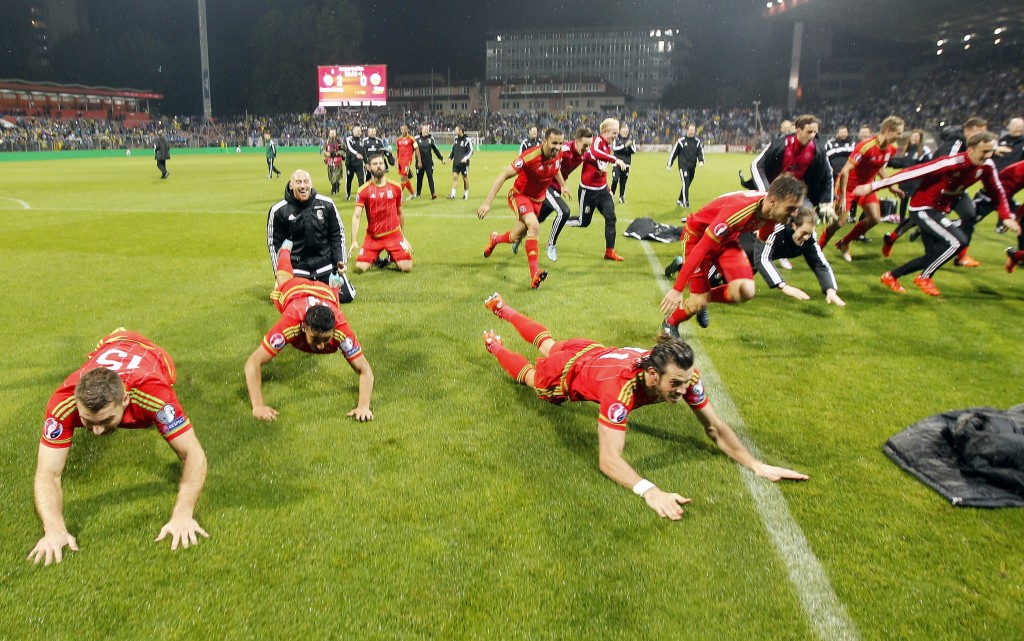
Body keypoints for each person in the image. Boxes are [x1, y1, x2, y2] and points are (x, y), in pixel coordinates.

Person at [481, 292, 808, 520]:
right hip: (572, 373)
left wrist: (756, 465)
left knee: (549, 343)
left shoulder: (684, 375)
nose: (683, 390)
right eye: (675, 384)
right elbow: (608, 459)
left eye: (685, 381)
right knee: (531, 376)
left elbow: (714, 427)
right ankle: (495, 346)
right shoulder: (620, 391)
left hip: (594, 352)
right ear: (652, 375)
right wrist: (650, 491)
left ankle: (503, 309)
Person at [30, 329, 209, 565]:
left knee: (167, 421)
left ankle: (126, 335)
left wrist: (183, 515)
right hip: (110, 344)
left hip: (149, 355)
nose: (97, 431)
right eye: (88, 422)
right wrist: (54, 530)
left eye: (106, 421)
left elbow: (193, 454)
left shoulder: (154, 394)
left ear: (126, 400)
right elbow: (47, 473)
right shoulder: (63, 402)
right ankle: (119, 334)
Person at [855, 131, 1021, 296]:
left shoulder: (987, 166)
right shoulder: (950, 163)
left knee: (936, 253)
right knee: (957, 242)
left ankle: (891, 276)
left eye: (991, 151)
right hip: (922, 208)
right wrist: (872, 187)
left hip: (939, 210)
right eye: (984, 151)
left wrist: (1006, 216)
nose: (988, 155)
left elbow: (997, 191)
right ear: (970, 149)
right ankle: (924, 277)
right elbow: (913, 172)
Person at [659, 174, 807, 335]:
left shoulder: (772, 212)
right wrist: (677, 289)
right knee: (698, 302)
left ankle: (701, 295)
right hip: (698, 237)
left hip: (727, 239)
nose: (794, 214)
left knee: (746, 291)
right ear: (773, 201)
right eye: (791, 208)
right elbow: (701, 249)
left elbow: (764, 233)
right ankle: (670, 323)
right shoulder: (739, 211)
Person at [245, 241, 374, 421]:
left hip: (326, 294)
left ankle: (334, 286)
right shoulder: (291, 320)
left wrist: (363, 406)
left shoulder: (340, 327)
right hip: (295, 291)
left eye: (325, 339)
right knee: (282, 281)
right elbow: (252, 363)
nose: (321, 346)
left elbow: (365, 369)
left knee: (334, 299)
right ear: (303, 326)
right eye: (316, 339)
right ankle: (284, 251)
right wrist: (258, 406)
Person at [881, 117, 988, 266]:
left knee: (970, 215)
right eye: (979, 132)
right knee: (916, 218)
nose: (982, 137)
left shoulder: (977, 147)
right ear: (968, 130)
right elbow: (947, 165)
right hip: (938, 188)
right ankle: (892, 237)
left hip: (956, 189)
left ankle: (961, 256)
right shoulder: (955, 143)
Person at [477, 127, 568, 290]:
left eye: (561, 143)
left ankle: (495, 239)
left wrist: (563, 185)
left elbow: (556, 168)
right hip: (520, 196)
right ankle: (534, 275)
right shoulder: (530, 157)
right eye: (554, 143)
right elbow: (503, 175)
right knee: (534, 226)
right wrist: (487, 202)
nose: (558, 147)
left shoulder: (558, 154)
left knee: (515, 237)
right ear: (545, 141)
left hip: (538, 201)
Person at [819, 115, 905, 262]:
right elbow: (845, 171)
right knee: (840, 222)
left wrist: (891, 188)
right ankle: (818, 249)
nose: (900, 136)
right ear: (889, 131)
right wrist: (844, 197)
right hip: (848, 186)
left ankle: (844, 243)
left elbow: (880, 169)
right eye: (898, 133)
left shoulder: (892, 148)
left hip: (866, 187)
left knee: (875, 218)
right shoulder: (866, 146)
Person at [266, 169, 350, 292]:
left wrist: (339, 259)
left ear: (311, 184)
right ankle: (284, 285)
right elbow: (274, 244)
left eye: (306, 182)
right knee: (292, 298)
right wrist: (280, 273)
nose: (303, 186)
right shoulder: (278, 211)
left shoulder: (327, 204)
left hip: (325, 266)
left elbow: (337, 234)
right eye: (298, 182)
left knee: (345, 296)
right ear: (291, 185)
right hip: (297, 269)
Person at [742, 206, 844, 306]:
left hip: (750, 261)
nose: (806, 237)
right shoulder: (774, 229)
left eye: (810, 233)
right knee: (741, 290)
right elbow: (762, 259)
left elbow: (820, 265)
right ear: (794, 225)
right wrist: (784, 286)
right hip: (738, 247)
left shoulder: (809, 240)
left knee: (743, 291)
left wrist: (831, 290)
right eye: (804, 232)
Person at [750, 114, 836, 225]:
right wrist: (765, 191)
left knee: (806, 221)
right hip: (774, 193)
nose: (813, 136)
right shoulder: (779, 144)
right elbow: (756, 165)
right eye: (809, 132)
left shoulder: (818, 150)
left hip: (799, 195)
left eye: (815, 132)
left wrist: (826, 202)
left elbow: (827, 174)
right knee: (766, 224)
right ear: (798, 130)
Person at [565, 117, 628, 261]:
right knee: (583, 222)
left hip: (602, 191)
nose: (616, 136)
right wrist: (615, 160)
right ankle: (561, 220)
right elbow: (594, 153)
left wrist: (608, 188)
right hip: (588, 191)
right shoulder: (597, 142)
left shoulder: (607, 146)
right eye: (614, 133)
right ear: (605, 132)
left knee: (611, 218)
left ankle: (609, 252)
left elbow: (602, 169)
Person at [532, 127, 592, 262]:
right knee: (564, 212)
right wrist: (564, 185)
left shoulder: (583, 154)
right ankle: (550, 245)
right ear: (576, 141)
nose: (587, 148)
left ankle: (515, 237)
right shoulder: (564, 150)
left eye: (590, 145)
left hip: (556, 188)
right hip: (546, 185)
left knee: (537, 219)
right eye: (585, 145)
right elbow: (552, 163)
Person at [350, 153, 412, 273]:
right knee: (359, 268)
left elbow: (400, 213)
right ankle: (375, 257)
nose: (378, 166)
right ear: (368, 167)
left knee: (407, 267)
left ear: (384, 166)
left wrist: (402, 236)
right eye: (375, 164)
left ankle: (391, 256)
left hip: (394, 235)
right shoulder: (363, 190)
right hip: (373, 237)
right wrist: (353, 241)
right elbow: (356, 216)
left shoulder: (396, 187)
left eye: (381, 163)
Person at [667, 123, 705, 208]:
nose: (692, 132)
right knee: (685, 182)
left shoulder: (697, 142)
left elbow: (700, 152)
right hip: (683, 166)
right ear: (686, 130)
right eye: (690, 130)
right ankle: (685, 202)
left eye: (693, 130)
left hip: (692, 167)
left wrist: (701, 160)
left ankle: (679, 200)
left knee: (687, 184)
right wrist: (669, 164)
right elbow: (674, 153)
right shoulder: (681, 141)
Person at [414, 123, 445, 200]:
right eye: (425, 130)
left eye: (427, 130)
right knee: (419, 179)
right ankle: (418, 194)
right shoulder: (416, 139)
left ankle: (433, 193)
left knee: (430, 177)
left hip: (429, 163)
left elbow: (435, 150)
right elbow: (411, 150)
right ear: (421, 130)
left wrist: (441, 158)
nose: (426, 131)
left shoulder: (431, 139)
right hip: (419, 163)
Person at [609, 123, 637, 203]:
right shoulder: (616, 139)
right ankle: (612, 194)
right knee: (615, 179)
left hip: (627, 164)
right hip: (617, 163)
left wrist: (630, 145)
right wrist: (625, 146)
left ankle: (621, 197)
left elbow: (634, 151)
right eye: (623, 130)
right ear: (620, 131)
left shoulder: (631, 139)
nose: (625, 131)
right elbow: (615, 149)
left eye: (626, 130)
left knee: (623, 181)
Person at [394, 124, 421, 197]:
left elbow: (417, 149)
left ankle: (398, 195)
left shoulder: (411, 139)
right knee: (405, 178)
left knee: (403, 177)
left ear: (407, 130)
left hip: (407, 161)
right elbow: (397, 151)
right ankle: (412, 194)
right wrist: (395, 161)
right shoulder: (398, 140)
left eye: (405, 129)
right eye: (402, 129)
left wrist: (419, 160)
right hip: (400, 162)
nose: (403, 131)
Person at [448, 125, 473, 200]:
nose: (455, 131)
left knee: (464, 178)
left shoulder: (467, 140)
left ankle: (466, 194)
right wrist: (450, 157)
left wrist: (465, 158)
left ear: (460, 131)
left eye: (456, 130)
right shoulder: (456, 139)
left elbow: (471, 151)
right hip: (456, 163)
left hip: (464, 164)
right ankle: (453, 194)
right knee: (455, 177)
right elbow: (453, 150)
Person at [321, 129, 345, 196]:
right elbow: (323, 149)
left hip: (337, 161)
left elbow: (344, 150)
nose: (332, 134)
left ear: (335, 134)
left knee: (335, 176)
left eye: (333, 133)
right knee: (330, 177)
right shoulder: (327, 141)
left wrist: (338, 153)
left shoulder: (339, 142)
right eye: (331, 133)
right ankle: (337, 184)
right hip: (330, 161)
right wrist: (326, 153)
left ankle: (333, 189)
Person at [344, 125, 366, 200]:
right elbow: (350, 148)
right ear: (353, 132)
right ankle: (348, 195)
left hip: (359, 164)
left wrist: (367, 163)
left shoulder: (362, 141)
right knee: (349, 180)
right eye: (358, 131)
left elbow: (364, 153)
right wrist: (356, 153)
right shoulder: (348, 139)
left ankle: (362, 196)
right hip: (350, 164)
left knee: (361, 180)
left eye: (360, 131)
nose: (359, 132)